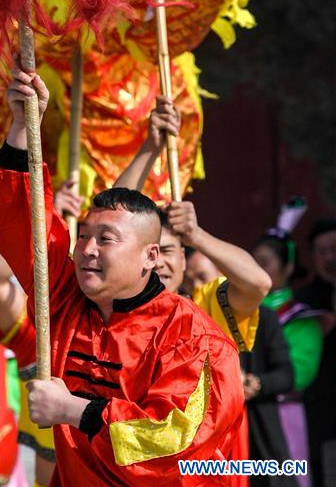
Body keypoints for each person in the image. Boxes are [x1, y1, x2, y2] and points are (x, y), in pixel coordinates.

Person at [0, 63, 245, 487]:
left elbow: (177, 440)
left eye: (105, 239)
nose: (87, 249)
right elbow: (22, 224)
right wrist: (22, 125)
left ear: (150, 256)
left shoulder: (193, 336)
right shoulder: (66, 299)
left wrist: (75, 411)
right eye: (84, 235)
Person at [116, 98, 271, 354]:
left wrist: (196, 235)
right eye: (149, 252)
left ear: (183, 260)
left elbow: (258, 283)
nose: (158, 262)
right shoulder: (114, 306)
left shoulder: (206, 304)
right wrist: (151, 148)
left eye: (166, 251)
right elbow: (114, 217)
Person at [252, 229, 323, 487]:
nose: (257, 269)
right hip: (250, 414)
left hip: (284, 414)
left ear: (288, 268)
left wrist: (257, 381)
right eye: (253, 262)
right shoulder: (242, 311)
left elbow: (299, 373)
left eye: (265, 263)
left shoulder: (301, 318)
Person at [240, 306, 297, 487]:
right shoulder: (196, 314)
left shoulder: (264, 317)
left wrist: (256, 384)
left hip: (259, 427)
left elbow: (286, 375)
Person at [297, 218, 336, 487]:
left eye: (334, 249)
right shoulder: (304, 303)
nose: (329, 258)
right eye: (322, 252)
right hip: (324, 411)